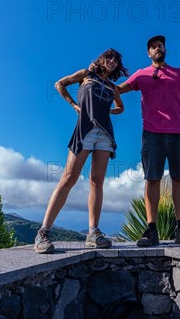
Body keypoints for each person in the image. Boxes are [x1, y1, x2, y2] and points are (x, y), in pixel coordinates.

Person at [118, 35, 180, 247]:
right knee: (152, 179)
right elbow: (118, 89)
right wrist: (95, 78)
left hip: (179, 133)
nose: (158, 48)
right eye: (153, 47)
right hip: (152, 134)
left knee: (179, 178)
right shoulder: (141, 75)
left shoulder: (178, 73)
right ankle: (151, 231)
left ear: (165, 50)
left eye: (161, 45)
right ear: (148, 53)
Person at [35, 49, 128, 254]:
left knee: (97, 181)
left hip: (105, 134)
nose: (112, 61)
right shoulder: (86, 75)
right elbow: (60, 84)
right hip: (85, 129)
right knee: (68, 178)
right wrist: (74, 105)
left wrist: (107, 112)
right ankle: (43, 233)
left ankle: (93, 233)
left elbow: (121, 107)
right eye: (109, 57)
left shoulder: (113, 87)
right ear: (101, 59)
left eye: (116, 60)